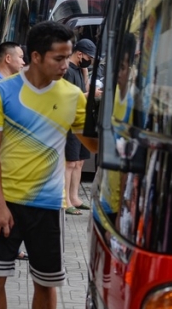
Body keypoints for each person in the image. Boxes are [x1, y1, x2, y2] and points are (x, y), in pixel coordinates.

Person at [0, 21, 98, 309]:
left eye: (68, 57)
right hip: (6, 200)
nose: (65, 65)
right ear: (36, 57)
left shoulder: (71, 96)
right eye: (59, 58)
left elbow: (94, 147)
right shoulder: (2, 91)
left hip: (48, 205)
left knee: (45, 282)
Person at [63, 38, 101, 216]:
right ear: (79, 54)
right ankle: (66, 200)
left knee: (79, 162)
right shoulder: (67, 72)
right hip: (70, 122)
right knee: (70, 162)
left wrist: (86, 73)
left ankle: (75, 197)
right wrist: (89, 94)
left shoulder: (79, 70)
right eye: (89, 57)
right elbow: (69, 97)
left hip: (81, 120)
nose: (90, 61)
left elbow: (84, 90)